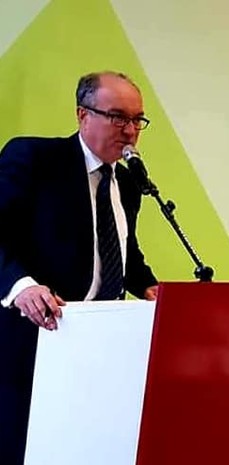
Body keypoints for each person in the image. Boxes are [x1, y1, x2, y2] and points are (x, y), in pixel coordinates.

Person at [0, 71, 159, 465]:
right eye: (118, 117)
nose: (130, 131)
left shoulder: (127, 183)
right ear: (82, 114)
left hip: (101, 345)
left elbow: (121, 251)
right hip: (37, 338)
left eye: (137, 119)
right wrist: (21, 286)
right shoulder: (34, 158)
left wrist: (149, 287)